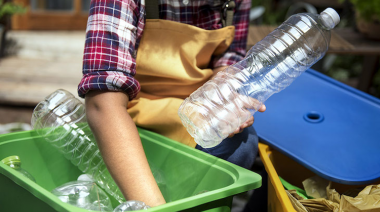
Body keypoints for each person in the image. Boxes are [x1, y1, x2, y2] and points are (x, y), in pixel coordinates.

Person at [78, 0, 265, 208]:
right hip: (132, 114)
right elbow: (102, 103)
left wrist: (223, 96)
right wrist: (154, 207)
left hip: (192, 109)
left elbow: (228, 58)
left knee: (242, 143)